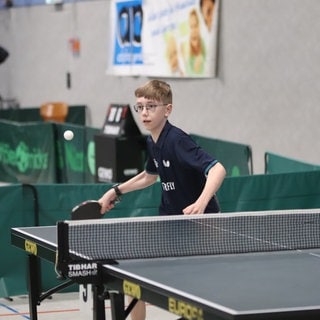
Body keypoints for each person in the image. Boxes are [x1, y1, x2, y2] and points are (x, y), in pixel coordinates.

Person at [98, 79, 226, 320]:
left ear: (167, 110)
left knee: (200, 289)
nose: (144, 113)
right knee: (135, 279)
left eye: (151, 107)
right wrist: (114, 191)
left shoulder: (177, 140)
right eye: (140, 107)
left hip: (199, 226)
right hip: (171, 222)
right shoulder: (152, 140)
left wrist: (201, 203)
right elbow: (149, 175)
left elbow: (218, 169)